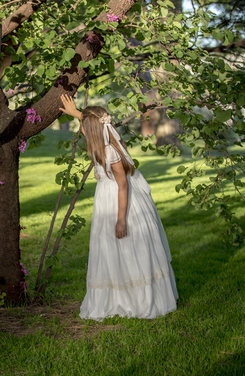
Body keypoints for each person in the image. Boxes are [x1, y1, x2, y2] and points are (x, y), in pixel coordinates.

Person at [59, 94, 178, 321]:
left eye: (84, 125)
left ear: (91, 130)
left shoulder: (109, 151)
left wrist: (121, 219)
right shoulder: (101, 137)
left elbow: (123, 185)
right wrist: (75, 112)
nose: (82, 129)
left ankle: (136, 298)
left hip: (119, 201)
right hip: (107, 198)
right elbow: (91, 124)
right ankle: (118, 293)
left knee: (126, 245)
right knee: (109, 248)